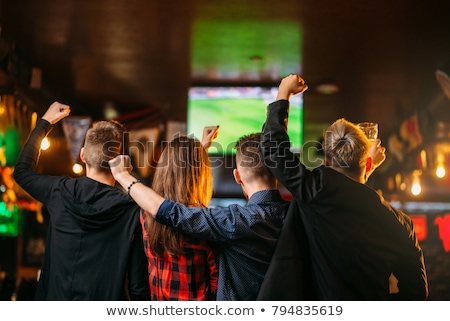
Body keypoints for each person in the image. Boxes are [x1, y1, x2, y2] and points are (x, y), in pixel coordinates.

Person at [257, 74, 428, 300]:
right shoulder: (401, 225)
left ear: (326, 161)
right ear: (367, 164)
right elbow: (417, 293)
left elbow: (273, 149)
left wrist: (283, 95)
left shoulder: (313, 190)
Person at [109, 132, 290, 300]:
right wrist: (196, 155)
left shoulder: (145, 215)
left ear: (237, 176)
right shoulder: (294, 214)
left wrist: (122, 175)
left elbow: (166, 210)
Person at [13, 101, 150, 300]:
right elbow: (138, 288)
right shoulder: (131, 211)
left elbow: (22, 172)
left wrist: (45, 123)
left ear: (83, 155)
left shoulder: (59, 191)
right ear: (120, 161)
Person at [140, 134, 218, 300]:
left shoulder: (145, 213)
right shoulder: (204, 221)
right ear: (201, 173)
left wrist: (198, 151)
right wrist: (197, 156)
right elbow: (217, 283)